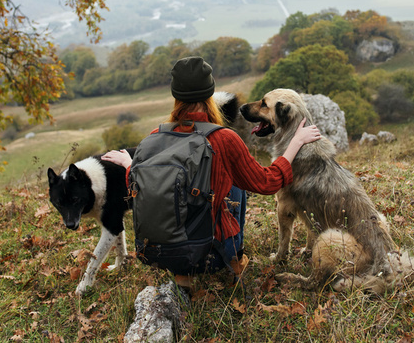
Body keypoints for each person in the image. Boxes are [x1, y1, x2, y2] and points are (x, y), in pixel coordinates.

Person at [102, 56, 320, 290]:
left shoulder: (154, 137)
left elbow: (142, 187)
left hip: (160, 252)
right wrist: (295, 142)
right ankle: (235, 261)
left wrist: (130, 165)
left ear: (176, 96)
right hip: (210, 254)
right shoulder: (224, 138)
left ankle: (182, 276)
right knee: (235, 182)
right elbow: (268, 183)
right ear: (210, 95)